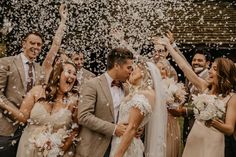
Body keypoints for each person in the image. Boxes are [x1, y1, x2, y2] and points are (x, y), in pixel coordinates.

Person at [156, 36, 236, 157]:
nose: (209, 71)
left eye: (214, 69)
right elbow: (184, 67)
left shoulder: (231, 97)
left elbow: (229, 129)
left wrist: (212, 121)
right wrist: (169, 46)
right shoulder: (204, 87)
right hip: (195, 136)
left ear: (223, 74)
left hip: (214, 140)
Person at [0, 61, 79, 156]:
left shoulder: (73, 101)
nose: (72, 76)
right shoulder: (37, 91)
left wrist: (59, 151)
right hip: (28, 149)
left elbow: (75, 130)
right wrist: (2, 104)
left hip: (55, 153)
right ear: (57, 74)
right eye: (69, 72)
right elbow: (22, 118)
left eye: (75, 74)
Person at [76, 48, 134, 157]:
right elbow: (83, 116)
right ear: (117, 66)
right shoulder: (92, 84)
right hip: (94, 148)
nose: (131, 71)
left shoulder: (127, 89)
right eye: (129, 67)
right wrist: (114, 129)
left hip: (119, 147)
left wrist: (134, 127)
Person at [109, 58, 167, 157]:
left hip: (127, 145)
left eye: (134, 68)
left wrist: (118, 155)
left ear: (143, 73)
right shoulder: (139, 92)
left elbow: (132, 128)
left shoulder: (144, 95)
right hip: (122, 140)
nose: (131, 71)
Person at [0, 31, 45, 157]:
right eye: (32, 43)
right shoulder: (6, 62)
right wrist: (17, 115)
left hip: (28, 132)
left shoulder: (40, 69)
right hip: (5, 128)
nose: (36, 47)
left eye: (39, 44)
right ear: (23, 44)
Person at [156, 59, 181, 157]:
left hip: (170, 121)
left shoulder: (173, 86)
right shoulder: (150, 86)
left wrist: (171, 102)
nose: (160, 71)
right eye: (157, 69)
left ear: (167, 70)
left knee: (169, 150)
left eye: (162, 69)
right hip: (157, 121)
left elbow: (178, 109)